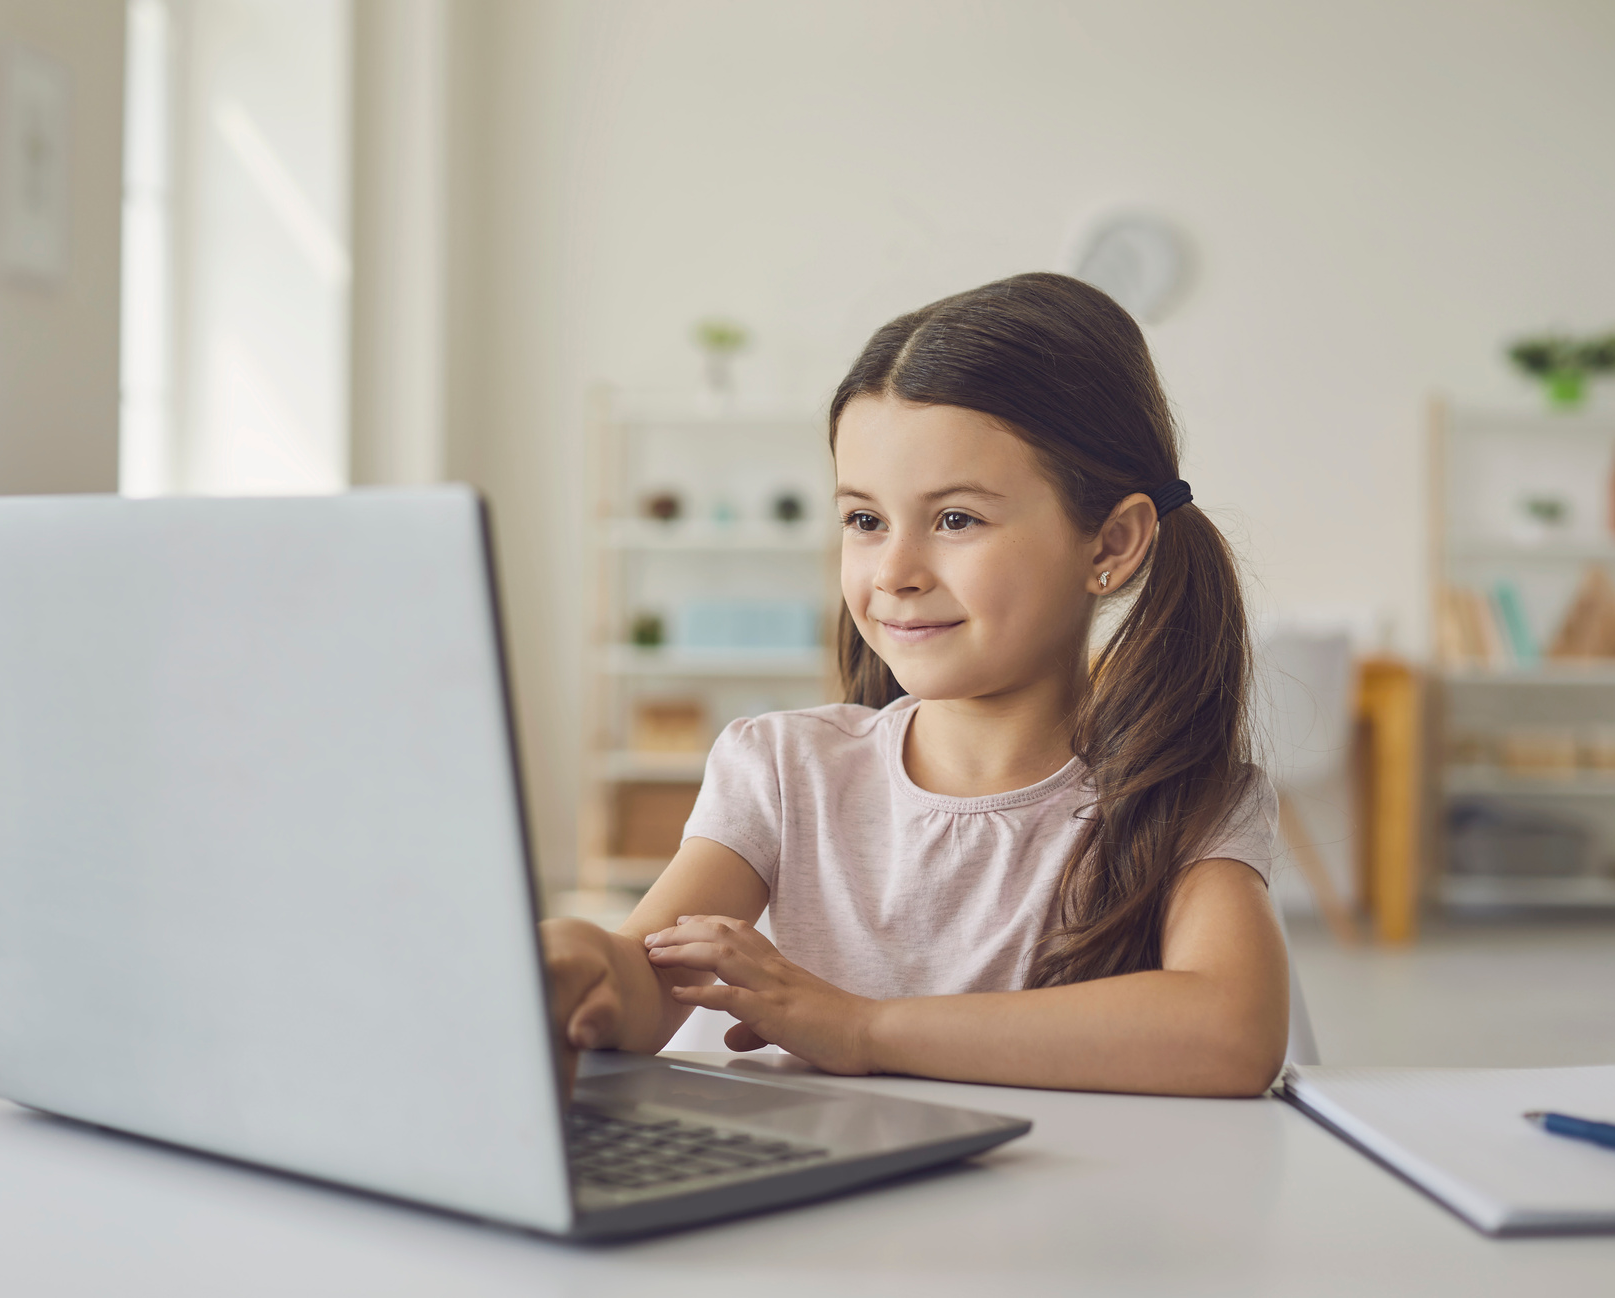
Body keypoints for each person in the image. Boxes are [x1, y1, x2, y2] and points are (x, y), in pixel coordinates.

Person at [542, 272, 1288, 1097]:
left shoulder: (1180, 796)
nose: (893, 571)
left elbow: (1229, 1033)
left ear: (1110, 542)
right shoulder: (782, 770)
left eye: (956, 519)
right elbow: (646, 982)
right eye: (864, 520)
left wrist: (861, 1029)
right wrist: (582, 961)